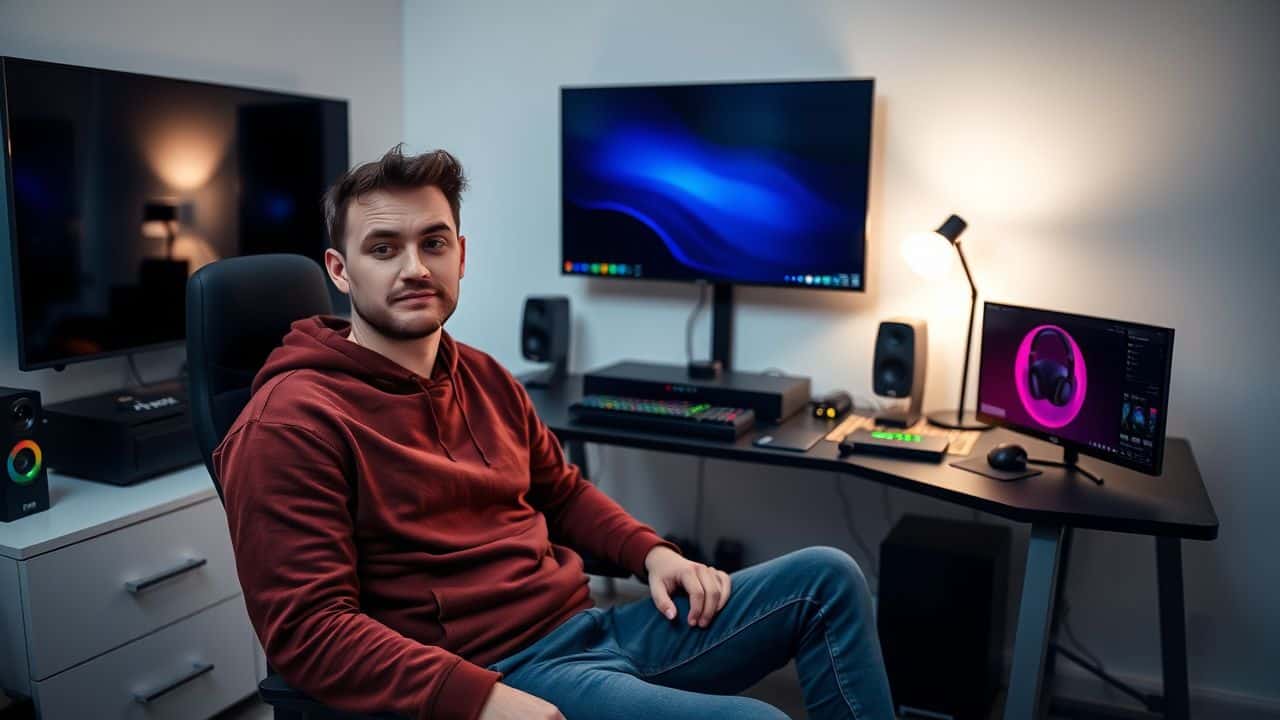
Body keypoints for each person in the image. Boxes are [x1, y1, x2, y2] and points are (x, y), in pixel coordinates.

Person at [215, 144, 894, 720]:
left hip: (590, 627)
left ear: (461, 254)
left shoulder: (480, 373)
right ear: (340, 269)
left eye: (433, 242)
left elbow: (561, 494)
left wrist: (654, 555)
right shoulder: (291, 423)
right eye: (383, 248)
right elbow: (308, 632)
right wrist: (480, 700)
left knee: (827, 579)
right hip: (497, 671)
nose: (415, 268)